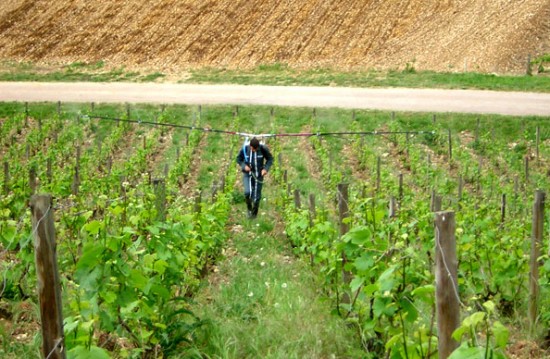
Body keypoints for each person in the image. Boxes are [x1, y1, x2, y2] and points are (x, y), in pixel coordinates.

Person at [236, 137, 274, 219]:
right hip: (248, 175)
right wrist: (244, 166)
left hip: (258, 176)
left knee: (257, 198)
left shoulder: (263, 149)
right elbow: (239, 159)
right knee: (247, 192)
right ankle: (249, 209)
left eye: (255, 149)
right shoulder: (245, 148)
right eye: (252, 149)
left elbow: (270, 159)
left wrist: (265, 169)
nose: (254, 150)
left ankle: (253, 215)